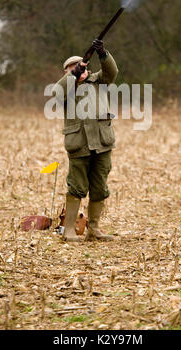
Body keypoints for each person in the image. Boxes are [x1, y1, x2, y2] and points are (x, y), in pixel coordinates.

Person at [54, 39, 118, 242]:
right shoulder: (65, 89)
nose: (77, 70)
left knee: (100, 187)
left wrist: (103, 54)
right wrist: (73, 76)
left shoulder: (98, 81)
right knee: (77, 187)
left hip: (102, 142)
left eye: (80, 66)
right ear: (67, 72)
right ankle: (70, 230)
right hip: (79, 144)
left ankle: (94, 229)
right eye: (72, 69)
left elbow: (112, 72)